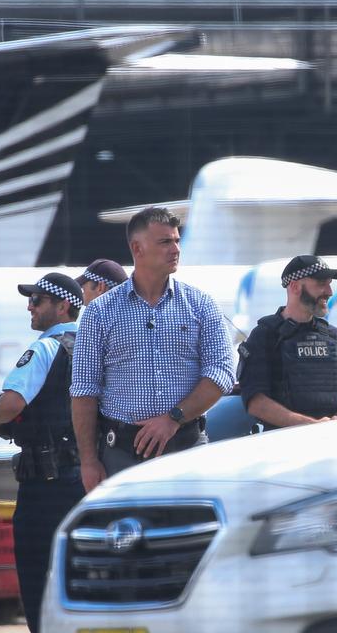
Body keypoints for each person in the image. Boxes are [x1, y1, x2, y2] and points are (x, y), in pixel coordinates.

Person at [71, 206, 235, 492]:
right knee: (126, 534)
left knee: (192, 534)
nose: (175, 249)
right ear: (137, 248)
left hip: (188, 448)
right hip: (121, 456)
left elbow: (221, 372)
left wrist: (173, 419)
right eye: (165, 242)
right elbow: (84, 390)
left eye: (177, 241)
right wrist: (88, 461)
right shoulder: (99, 313)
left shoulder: (201, 304)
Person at [0, 272, 85, 633]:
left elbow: (11, 404)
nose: (30, 306)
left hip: (46, 483)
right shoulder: (90, 347)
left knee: (36, 570)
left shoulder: (45, 348)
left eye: (38, 300)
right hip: (84, 475)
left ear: (62, 307)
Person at [238, 255, 337, 429]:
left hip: (332, 440)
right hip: (283, 445)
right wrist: (309, 426)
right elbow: (256, 402)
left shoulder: (334, 337)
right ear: (295, 287)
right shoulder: (265, 336)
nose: (329, 292)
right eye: (321, 284)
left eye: (329, 283)